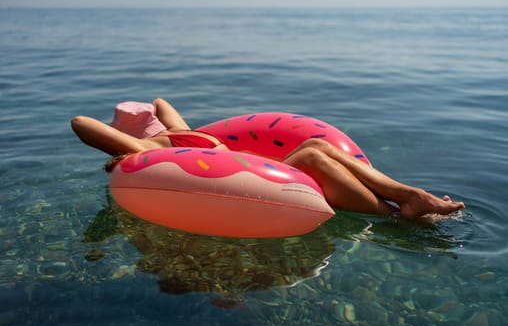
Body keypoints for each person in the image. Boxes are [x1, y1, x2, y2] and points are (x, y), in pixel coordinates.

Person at [71, 97, 464, 221]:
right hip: (260, 180)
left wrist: (140, 123)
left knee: (317, 146)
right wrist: (136, 132)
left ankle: (404, 201)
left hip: (262, 175)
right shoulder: (152, 150)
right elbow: (82, 123)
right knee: (312, 152)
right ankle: (398, 210)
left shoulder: (176, 137)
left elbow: (156, 104)